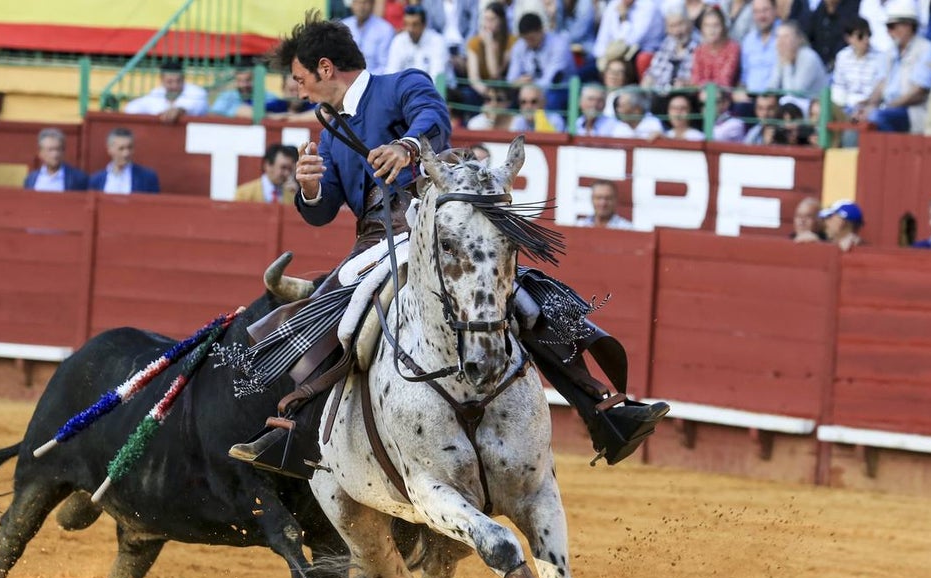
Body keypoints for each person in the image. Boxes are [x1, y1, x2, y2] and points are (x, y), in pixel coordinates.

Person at [229, 13, 667, 476]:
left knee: (519, 293)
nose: (297, 91)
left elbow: (433, 120)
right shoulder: (330, 130)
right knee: (329, 306)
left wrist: (408, 149)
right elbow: (321, 212)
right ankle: (298, 433)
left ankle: (603, 409)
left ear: (324, 67)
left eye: (299, 79)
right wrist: (310, 188)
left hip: (434, 223)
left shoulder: (401, 83)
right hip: (375, 239)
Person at [858, 1, 931, 132]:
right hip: (890, 108)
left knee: (877, 116)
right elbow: (881, 84)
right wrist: (868, 105)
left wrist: (886, 107)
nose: (889, 32)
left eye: (892, 26)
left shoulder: (927, 49)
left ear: (908, 25)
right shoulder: (890, 52)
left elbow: (918, 93)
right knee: (855, 114)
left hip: (913, 111)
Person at [506, 13, 576, 111]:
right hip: (528, 90)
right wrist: (518, 82)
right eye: (526, 39)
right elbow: (511, 80)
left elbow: (550, 81)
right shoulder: (519, 46)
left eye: (532, 39)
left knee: (549, 100)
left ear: (542, 30)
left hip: (559, 89)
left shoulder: (559, 45)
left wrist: (530, 86)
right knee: (509, 102)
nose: (529, 43)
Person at [831, 17, 891, 121]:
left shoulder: (881, 58)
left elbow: (880, 91)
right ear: (848, 38)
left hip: (870, 107)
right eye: (860, 36)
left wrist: (865, 104)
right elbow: (839, 87)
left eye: (868, 35)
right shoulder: (842, 56)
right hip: (847, 106)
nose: (866, 40)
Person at [123, 59, 208, 122]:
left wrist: (179, 110)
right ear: (162, 80)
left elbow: (194, 106)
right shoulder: (156, 93)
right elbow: (131, 108)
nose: (175, 86)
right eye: (170, 82)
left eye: (179, 81)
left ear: (183, 78)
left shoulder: (196, 92)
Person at [640, 8, 698, 98]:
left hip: (685, 98)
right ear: (667, 30)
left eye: (680, 24)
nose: (677, 31)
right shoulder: (667, 43)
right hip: (660, 96)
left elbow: (701, 81)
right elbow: (652, 73)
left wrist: (687, 84)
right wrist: (646, 85)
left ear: (690, 23)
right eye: (672, 26)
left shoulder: (700, 46)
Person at [387, 4, 452, 83]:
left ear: (424, 25)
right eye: (407, 24)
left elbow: (436, 78)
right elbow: (391, 74)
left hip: (440, 92)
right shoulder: (398, 41)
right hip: (406, 91)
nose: (410, 29)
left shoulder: (438, 42)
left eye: (415, 24)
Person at [466, 2, 519, 99]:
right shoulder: (474, 43)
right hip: (483, 89)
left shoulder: (511, 42)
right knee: (467, 94)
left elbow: (495, 74)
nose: (488, 24)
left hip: (503, 87)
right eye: (486, 19)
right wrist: (487, 92)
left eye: (492, 19)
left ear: (501, 21)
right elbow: (473, 78)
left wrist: (489, 46)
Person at [593, 0, 667, 67]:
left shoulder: (648, 6)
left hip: (641, 51)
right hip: (614, 52)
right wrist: (599, 58)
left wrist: (624, 19)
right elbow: (602, 37)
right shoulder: (614, 3)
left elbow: (629, 42)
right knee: (592, 65)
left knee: (616, 66)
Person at [89, 128, 160, 194]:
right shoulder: (96, 180)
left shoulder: (147, 178)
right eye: (121, 149)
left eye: (130, 148)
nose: (126, 153)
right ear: (109, 150)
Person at [769, 21, 830, 98]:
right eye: (778, 37)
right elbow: (772, 86)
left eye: (786, 37)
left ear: (798, 39)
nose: (780, 42)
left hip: (816, 104)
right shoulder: (781, 56)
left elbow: (793, 94)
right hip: (797, 104)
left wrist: (787, 64)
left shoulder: (808, 57)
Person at [692, 6, 743, 88]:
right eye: (707, 25)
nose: (711, 30)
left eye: (716, 25)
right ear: (702, 28)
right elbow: (695, 80)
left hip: (724, 94)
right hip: (701, 95)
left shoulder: (733, 48)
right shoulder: (699, 50)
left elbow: (725, 80)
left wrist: (706, 86)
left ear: (723, 27)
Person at [23, 128, 88, 192]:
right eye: (50, 150)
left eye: (58, 149)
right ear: (40, 153)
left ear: (63, 151)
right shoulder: (31, 179)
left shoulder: (78, 178)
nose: (55, 155)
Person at [802, 0, 862, 69]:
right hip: (818, 64)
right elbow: (808, 36)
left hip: (845, 64)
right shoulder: (819, 10)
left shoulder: (853, 7)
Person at [739, 0, 782, 95]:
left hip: (776, 96)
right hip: (750, 97)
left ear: (775, 10)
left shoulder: (785, 34)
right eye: (756, 11)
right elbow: (744, 76)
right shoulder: (748, 40)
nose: (761, 16)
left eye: (765, 10)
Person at [343, 0, 397, 75]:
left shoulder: (385, 29)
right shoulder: (343, 26)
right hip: (346, 79)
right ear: (352, 4)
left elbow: (385, 66)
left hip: (374, 79)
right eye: (357, 2)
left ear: (372, 4)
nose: (361, 6)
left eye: (365, 2)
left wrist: (363, 79)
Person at [210, 67, 279, 119]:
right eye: (239, 80)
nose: (243, 85)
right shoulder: (227, 96)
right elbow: (213, 116)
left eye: (248, 80)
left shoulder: (268, 96)